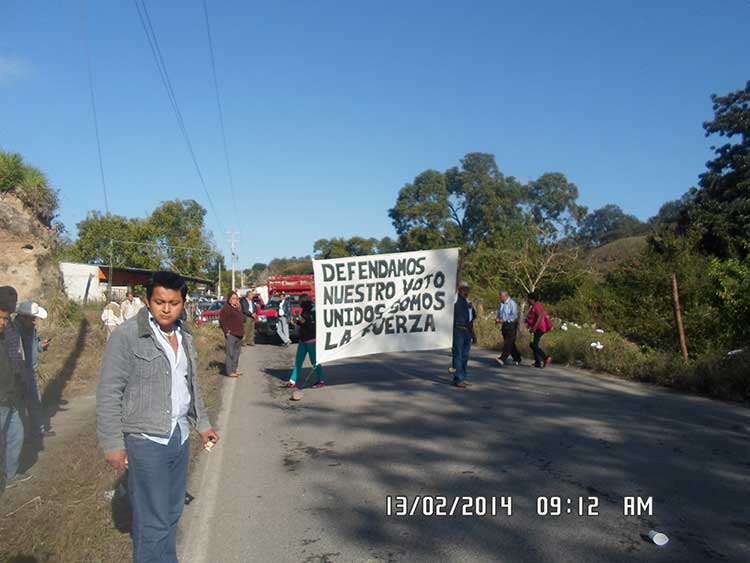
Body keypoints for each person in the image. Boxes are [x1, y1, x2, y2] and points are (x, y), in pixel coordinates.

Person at [96, 271, 218, 563]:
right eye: (159, 301)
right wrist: (113, 442)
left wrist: (202, 425)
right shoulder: (128, 336)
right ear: (147, 302)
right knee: (153, 520)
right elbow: (109, 391)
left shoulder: (185, 335)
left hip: (179, 436)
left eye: (173, 302)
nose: (166, 308)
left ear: (183, 303)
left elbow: (191, 386)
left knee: (172, 512)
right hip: (146, 440)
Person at [0, 286, 32, 492]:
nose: (3, 322)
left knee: (16, 434)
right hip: (2, 395)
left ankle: (10, 475)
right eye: (1, 317)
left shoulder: (10, 330)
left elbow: (16, 360)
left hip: (13, 393)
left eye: (6, 317)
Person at [15, 301, 54, 439]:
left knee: (34, 401)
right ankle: (22, 435)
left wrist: (41, 346)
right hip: (19, 372)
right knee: (20, 405)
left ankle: (38, 430)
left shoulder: (31, 330)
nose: (34, 321)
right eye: (32, 318)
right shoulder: (14, 331)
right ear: (24, 317)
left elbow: (35, 346)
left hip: (30, 370)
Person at [286, 294, 324, 389]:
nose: (299, 303)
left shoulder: (313, 311)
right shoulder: (305, 310)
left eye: (300, 302)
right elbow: (302, 322)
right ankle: (292, 380)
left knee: (315, 362)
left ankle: (321, 380)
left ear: (304, 302)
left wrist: (299, 317)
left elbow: (309, 324)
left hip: (311, 340)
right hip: (303, 339)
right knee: (298, 361)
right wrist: (296, 321)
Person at [452, 281, 477, 388]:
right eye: (464, 289)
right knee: (458, 355)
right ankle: (458, 378)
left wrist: (474, 334)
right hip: (458, 330)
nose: (466, 291)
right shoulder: (455, 299)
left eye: (467, 289)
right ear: (460, 289)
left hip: (467, 331)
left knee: (465, 356)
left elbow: (471, 319)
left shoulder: (468, 302)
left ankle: (463, 376)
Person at [219, 292, 244, 377]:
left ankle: (234, 369)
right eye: (233, 298)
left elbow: (242, 319)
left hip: (239, 334)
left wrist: (239, 308)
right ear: (229, 300)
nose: (235, 300)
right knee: (230, 353)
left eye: (236, 299)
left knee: (237, 353)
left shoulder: (237, 309)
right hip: (232, 334)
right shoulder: (226, 309)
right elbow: (222, 321)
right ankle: (229, 371)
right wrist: (226, 332)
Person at [495, 289, 522, 367]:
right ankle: (517, 357)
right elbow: (500, 313)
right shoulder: (501, 303)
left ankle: (502, 358)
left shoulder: (512, 304)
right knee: (510, 343)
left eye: (501, 296)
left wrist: (504, 320)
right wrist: (498, 319)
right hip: (504, 325)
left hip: (511, 324)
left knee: (508, 342)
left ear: (506, 295)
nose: (500, 297)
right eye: (499, 296)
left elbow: (514, 316)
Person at [526, 291, 553, 368]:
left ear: (532, 299)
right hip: (536, 328)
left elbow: (540, 316)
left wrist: (534, 327)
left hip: (539, 328)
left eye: (528, 299)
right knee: (533, 344)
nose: (527, 300)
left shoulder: (536, 306)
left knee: (533, 345)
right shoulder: (535, 306)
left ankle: (545, 358)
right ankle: (537, 362)